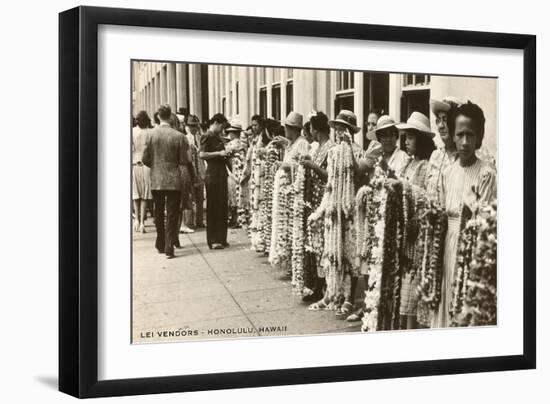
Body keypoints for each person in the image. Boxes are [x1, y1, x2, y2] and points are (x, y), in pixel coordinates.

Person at [433, 101, 497, 328]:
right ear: (452, 135)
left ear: (479, 137)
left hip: (471, 248)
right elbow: (440, 212)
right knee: (446, 300)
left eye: (471, 135)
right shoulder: (448, 172)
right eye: (460, 134)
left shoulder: (486, 174)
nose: (465, 142)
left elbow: (483, 221)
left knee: (465, 303)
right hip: (446, 247)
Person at [395, 111, 436, 329]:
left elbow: (423, 199)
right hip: (404, 232)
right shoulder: (408, 164)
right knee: (403, 286)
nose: (407, 141)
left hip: (417, 233)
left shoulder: (426, 166)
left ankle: (411, 329)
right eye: (406, 137)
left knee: (411, 289)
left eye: (411, 137)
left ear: (420, 140)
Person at [142, 104, 189, 259]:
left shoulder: (150, 135)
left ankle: (160, 241)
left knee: (158, 211)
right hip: (174, 178)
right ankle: (169, 245)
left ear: (158, 117)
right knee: (172, 213)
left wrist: (156, 165)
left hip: (156, 178)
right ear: (170, 117)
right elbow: (183, 160)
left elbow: (145, 159)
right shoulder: (179, 136)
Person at [299, 111, 334, 302]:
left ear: (317, 129)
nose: (309, 131)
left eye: (311, 128)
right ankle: (316, 282)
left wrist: (312, 167)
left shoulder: (331, 148)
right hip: (313, 199)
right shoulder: (318, 147)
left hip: (324, 199)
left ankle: (324, 285)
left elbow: (330, 176)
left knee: (322, 243)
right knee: (314, 243)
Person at [200, 113, 230, 249]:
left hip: (221, 173)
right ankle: (213, 239)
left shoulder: (217, 137)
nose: (222, 130)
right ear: (216, 123)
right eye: (222, 126)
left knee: (222, 206)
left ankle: (221, 238)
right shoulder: (207, 135)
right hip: (213, 174)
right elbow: (202, 154)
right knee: (213, 207)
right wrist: (219, 153)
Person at [425, 97, 461, 204]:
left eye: (445, 120)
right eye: (438, 120)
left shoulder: (467, 158)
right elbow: (425, 190)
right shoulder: (435, 155)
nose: (440, 126)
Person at [132, 111, 153, 233]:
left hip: (134, 163)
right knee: (145, 194)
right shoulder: (149, 133)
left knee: (136, 194)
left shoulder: (132, 131)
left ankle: (137, 220)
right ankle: (142, 223)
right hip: (146, 165)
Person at [185, 115, 206, 229]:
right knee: (190, 197)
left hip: (201, 169)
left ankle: (200, 220)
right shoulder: (186, 138)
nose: (194, 128)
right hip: (191, 170)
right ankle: (190, 222)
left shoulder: (200, 138)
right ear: (188, 127)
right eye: (192, 126)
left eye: (196, 126)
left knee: (200, 198)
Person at [225, 121, 247, 228]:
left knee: (234, 193)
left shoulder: (233, 144)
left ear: (234, 133)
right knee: (237, 193)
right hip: (239, 169)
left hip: (235, 169)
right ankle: (237, 217)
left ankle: (235, 218)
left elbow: (226, 152)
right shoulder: (243, 143)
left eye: (231, 133)